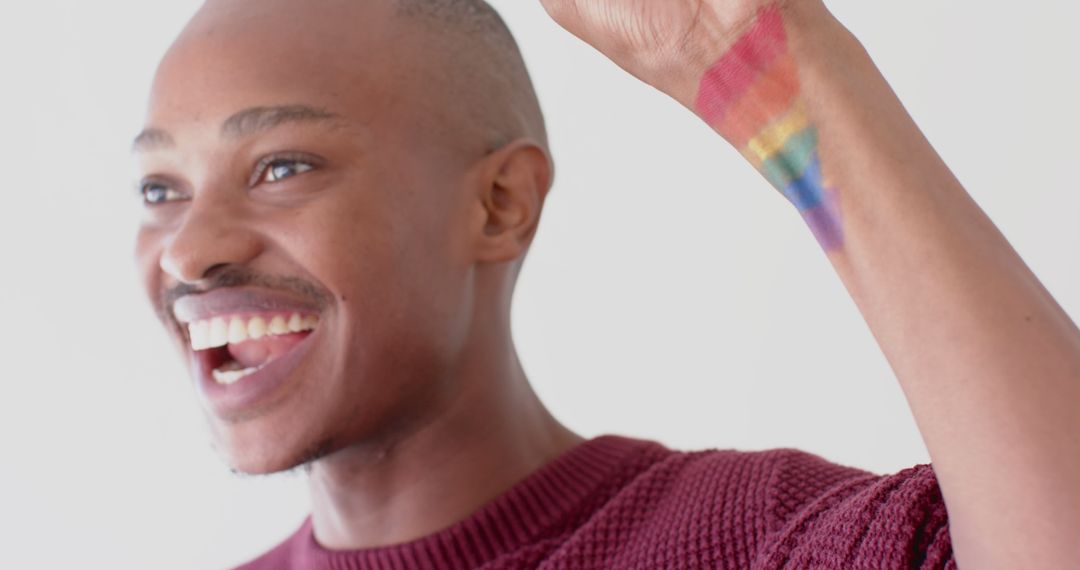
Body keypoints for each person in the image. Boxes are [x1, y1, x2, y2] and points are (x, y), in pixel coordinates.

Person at [132, 0, 1080, 567]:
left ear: (500, 205)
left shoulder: (743, 541)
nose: (186, 252)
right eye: (158, 187)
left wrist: (761, 52)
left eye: (282, 167)